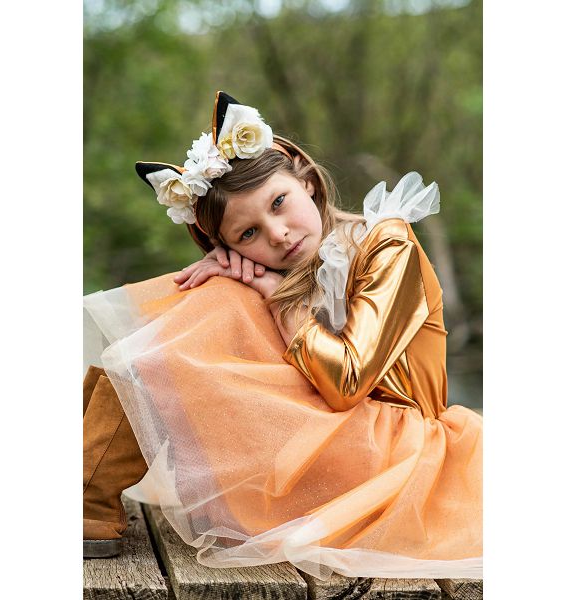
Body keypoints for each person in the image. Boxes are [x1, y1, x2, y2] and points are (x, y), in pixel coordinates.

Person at [83, 91, 482, 579]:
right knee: (212, 297)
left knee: (217, 303)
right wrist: (237, 279)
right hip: (324, 445)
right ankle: (85, 485)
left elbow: (347, 382)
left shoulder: (386, 244)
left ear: (307, 182)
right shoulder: (276, 271)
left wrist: (275, 295)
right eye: (247, 234)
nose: (277, 234)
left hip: (395, 458)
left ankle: (86, 493)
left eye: (278, 203)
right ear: (227, 245)